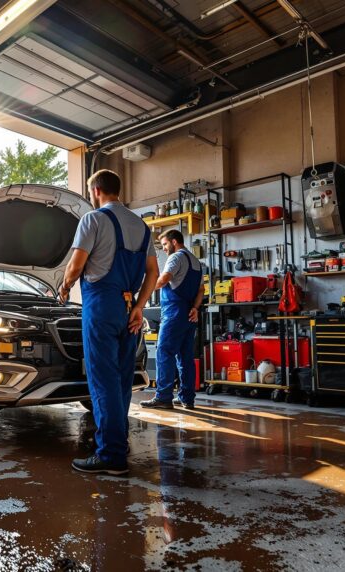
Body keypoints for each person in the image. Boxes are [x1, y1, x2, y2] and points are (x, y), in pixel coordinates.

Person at [58, 169, 159, 475]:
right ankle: (118, 441)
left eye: (91, 192)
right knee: (121, 380)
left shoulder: (93, 219)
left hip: (102, 307)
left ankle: (111, 455)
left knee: (103, 381)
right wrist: (139, 307)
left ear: (97, 190)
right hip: (129, 310)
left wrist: (63, 287)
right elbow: (152, 273)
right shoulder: (141, 226)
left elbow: (75, 266)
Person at [141, 228, 203, 411]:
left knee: (164, 352)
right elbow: (201, 290)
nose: (164, 248)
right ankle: (187, 398)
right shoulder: (196, 262)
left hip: (174, 312)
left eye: (165, 244)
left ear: (175, 241)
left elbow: (163, 279)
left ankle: (164, 397)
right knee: (185, 357)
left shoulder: (176, 258)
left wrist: (145, 291)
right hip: (189, 314)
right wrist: (195, 308)